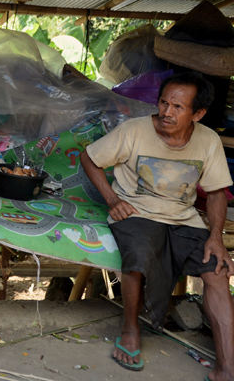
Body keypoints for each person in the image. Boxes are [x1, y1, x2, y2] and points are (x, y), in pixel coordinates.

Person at [80, 71, 234, 378]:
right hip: (136, 213)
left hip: (183, 217)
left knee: (217, 268)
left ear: (198, 113)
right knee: (138, 254)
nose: (166, 112)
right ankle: (130, 330)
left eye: (178, 107)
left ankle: (227, 368)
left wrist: (216, 236)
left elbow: (217, 192)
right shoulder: (134, 130)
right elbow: (89, 157)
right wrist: (112, 199)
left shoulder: (208, 140)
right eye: (164, 102)